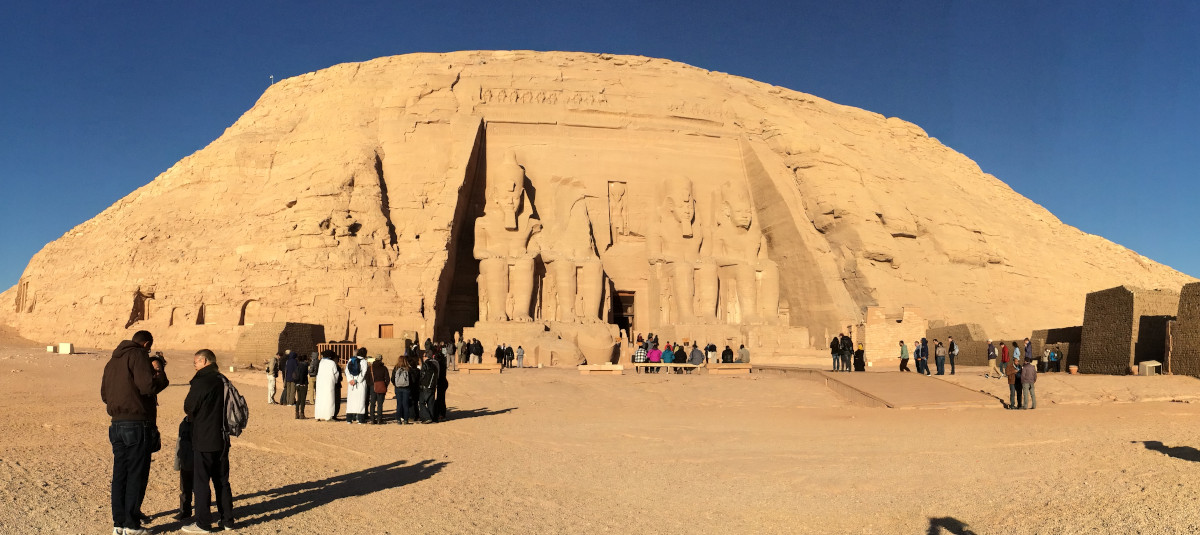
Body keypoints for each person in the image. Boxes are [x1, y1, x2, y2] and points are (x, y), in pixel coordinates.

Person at [101, 330, 168, 535]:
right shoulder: (138, 355)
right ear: (147, 344)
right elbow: (147, 386)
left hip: (117, 425)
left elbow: (105, 395)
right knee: (136, 474)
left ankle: (119, 523)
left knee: (120, 474)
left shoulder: (112, 361)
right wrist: (159, 375)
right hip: (137, 424)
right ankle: (131, 525)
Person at [182, 350, 235, 533]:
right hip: (222, 437)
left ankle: (203, 523)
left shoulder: (202, 380)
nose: (194, 365)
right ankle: (227, 520)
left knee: (201, 481)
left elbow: (189, 406)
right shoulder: (222, 379)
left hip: (204, 437)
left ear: (204, 361)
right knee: (222, 480)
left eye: (195, 362)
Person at [173, 416, 194, 522]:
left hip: (198, 463)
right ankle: (185, 511)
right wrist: (177, 463)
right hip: (185, 462)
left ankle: (202, 513)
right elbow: (179, 443)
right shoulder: (183, 424)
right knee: (185, 489)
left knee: (200, 490)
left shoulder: (201, 423)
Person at [314, 350, 340, 421]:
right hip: (329, 384)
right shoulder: (332, 363)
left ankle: (318, 415)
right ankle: (328, 416)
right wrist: (335, 380)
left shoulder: (321, 362)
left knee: (320, 399)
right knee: (329, 400)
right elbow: (335, 373)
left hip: (320, 384)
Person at [345, 348, 369, 424]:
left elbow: (346, 371)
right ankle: (360, 419)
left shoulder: (351, 359)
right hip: (360, 384)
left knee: (351, 401)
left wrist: (350, 380)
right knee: (360, 401)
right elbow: (363, 372)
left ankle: (349, 419)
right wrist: (357, 380)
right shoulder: (364, 361)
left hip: (351, 383)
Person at [418, 352, 440, 423]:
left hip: (425, 386)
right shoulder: (435, 364)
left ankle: (427, 417)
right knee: (431, 402)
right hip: (433, 386)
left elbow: (422, 375)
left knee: (421, 402)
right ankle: (433, 418)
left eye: (423, 356)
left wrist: (420, 383)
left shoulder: (425, 364)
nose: (423, 357)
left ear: (426, 357)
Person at [368, 354, 389, 425]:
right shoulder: (384, 368)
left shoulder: (370, 368)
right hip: (381, 386)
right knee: (380, 404)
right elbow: (387, 379)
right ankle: (379, 419)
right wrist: (384, 385)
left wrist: (371, 384)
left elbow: (367, 378)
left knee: (372, 403)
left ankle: (372, 419)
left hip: (372, 386)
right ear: (381, 359)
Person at [392, 356, 413, 424]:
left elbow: (392, 378)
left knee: (399, 404)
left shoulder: (396, 368)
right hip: (406, 388)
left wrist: (396, 384)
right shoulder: (408, 368)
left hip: (398, 388)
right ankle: (406, 419)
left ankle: (398, 419)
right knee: (405, 404)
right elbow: (411, 379)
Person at [292, 353, 310, 419]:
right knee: (303, 400)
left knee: (298, 399)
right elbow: (303, 375)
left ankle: (296, 414)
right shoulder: (304, 366)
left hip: (297, 384)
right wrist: (302, 382)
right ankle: (302, 414)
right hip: (303, 384)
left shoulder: (298, 365)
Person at [434, 348, 449, 421]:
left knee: (440, 399)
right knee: (441, 398)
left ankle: (441, 414)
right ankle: (441, 414)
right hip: (443, 382)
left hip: (441, 383)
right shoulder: (443, 363)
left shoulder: (438, 364)